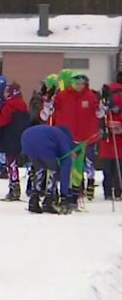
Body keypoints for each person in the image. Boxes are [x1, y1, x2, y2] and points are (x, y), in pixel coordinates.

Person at [41, 72, 103, 204]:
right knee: (63, 164)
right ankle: (59, 192)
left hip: (82, 137)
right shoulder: (62, 96)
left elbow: (99, 113)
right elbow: (46, 115)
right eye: (77, 83)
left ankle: (75, 192)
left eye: (82, 83)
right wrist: (48, 100)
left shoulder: (90, 96)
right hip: (64, 136)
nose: (80, 86)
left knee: (78, 167)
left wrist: (104, 103)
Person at [22, 124, 78, 214]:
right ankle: (49, 200)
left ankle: (34, 199)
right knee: (53, 170)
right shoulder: (66, 144)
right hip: (44, 143)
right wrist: (64, 195)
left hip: (27, 138)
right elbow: (65, 172)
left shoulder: (56, 133)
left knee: (39, 169)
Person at [0, 83, 31, 201]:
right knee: (13, 162)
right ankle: (15, 186)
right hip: (20, 137)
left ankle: (14, 187)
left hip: (10, 137)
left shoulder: (10, 106)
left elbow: (0, 121)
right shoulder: (22, 105)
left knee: (11, 163)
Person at [100, 75, 122, 201]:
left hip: (107, 141)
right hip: (117, 141)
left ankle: (108, 192)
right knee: (119, 170)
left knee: (107, 170)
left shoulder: (106, 92)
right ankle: (118, 192)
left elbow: (99, 116)